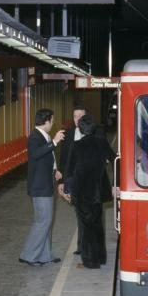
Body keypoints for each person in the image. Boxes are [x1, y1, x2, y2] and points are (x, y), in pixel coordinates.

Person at [64, 114, 115, 269]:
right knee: (98, 224)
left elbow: (70, 170)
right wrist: (115, 184)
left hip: (82, 191)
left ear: (80, 128)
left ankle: (90, 261)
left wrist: (67, 189)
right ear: (94, 128)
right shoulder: (102, 143)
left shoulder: (77, 145)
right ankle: (100, 257)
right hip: (99, 191)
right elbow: (115, 159)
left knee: (86, 227)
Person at [19, 108, 65, 266]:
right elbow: (36, 154)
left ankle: (44, 255)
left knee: (45, 221)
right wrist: (54, 142)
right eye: (52, 120)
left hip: (45, 182)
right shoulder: (34, 137)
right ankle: (28, 255)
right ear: (46, 121)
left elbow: (45, 159)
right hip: (40, 186)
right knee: (43, 221)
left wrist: (55, 170)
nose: (53, 123)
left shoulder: (42, 136)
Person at [57, 105, 86, 255]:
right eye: (75, 116)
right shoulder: (68, 135)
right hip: (73, 180)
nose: (78, 119)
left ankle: (85, 245)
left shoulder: (93, 134)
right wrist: (61, 182)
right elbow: (63, 160)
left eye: (81, 116)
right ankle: (81, 245)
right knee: (79, 213)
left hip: (88, 182)